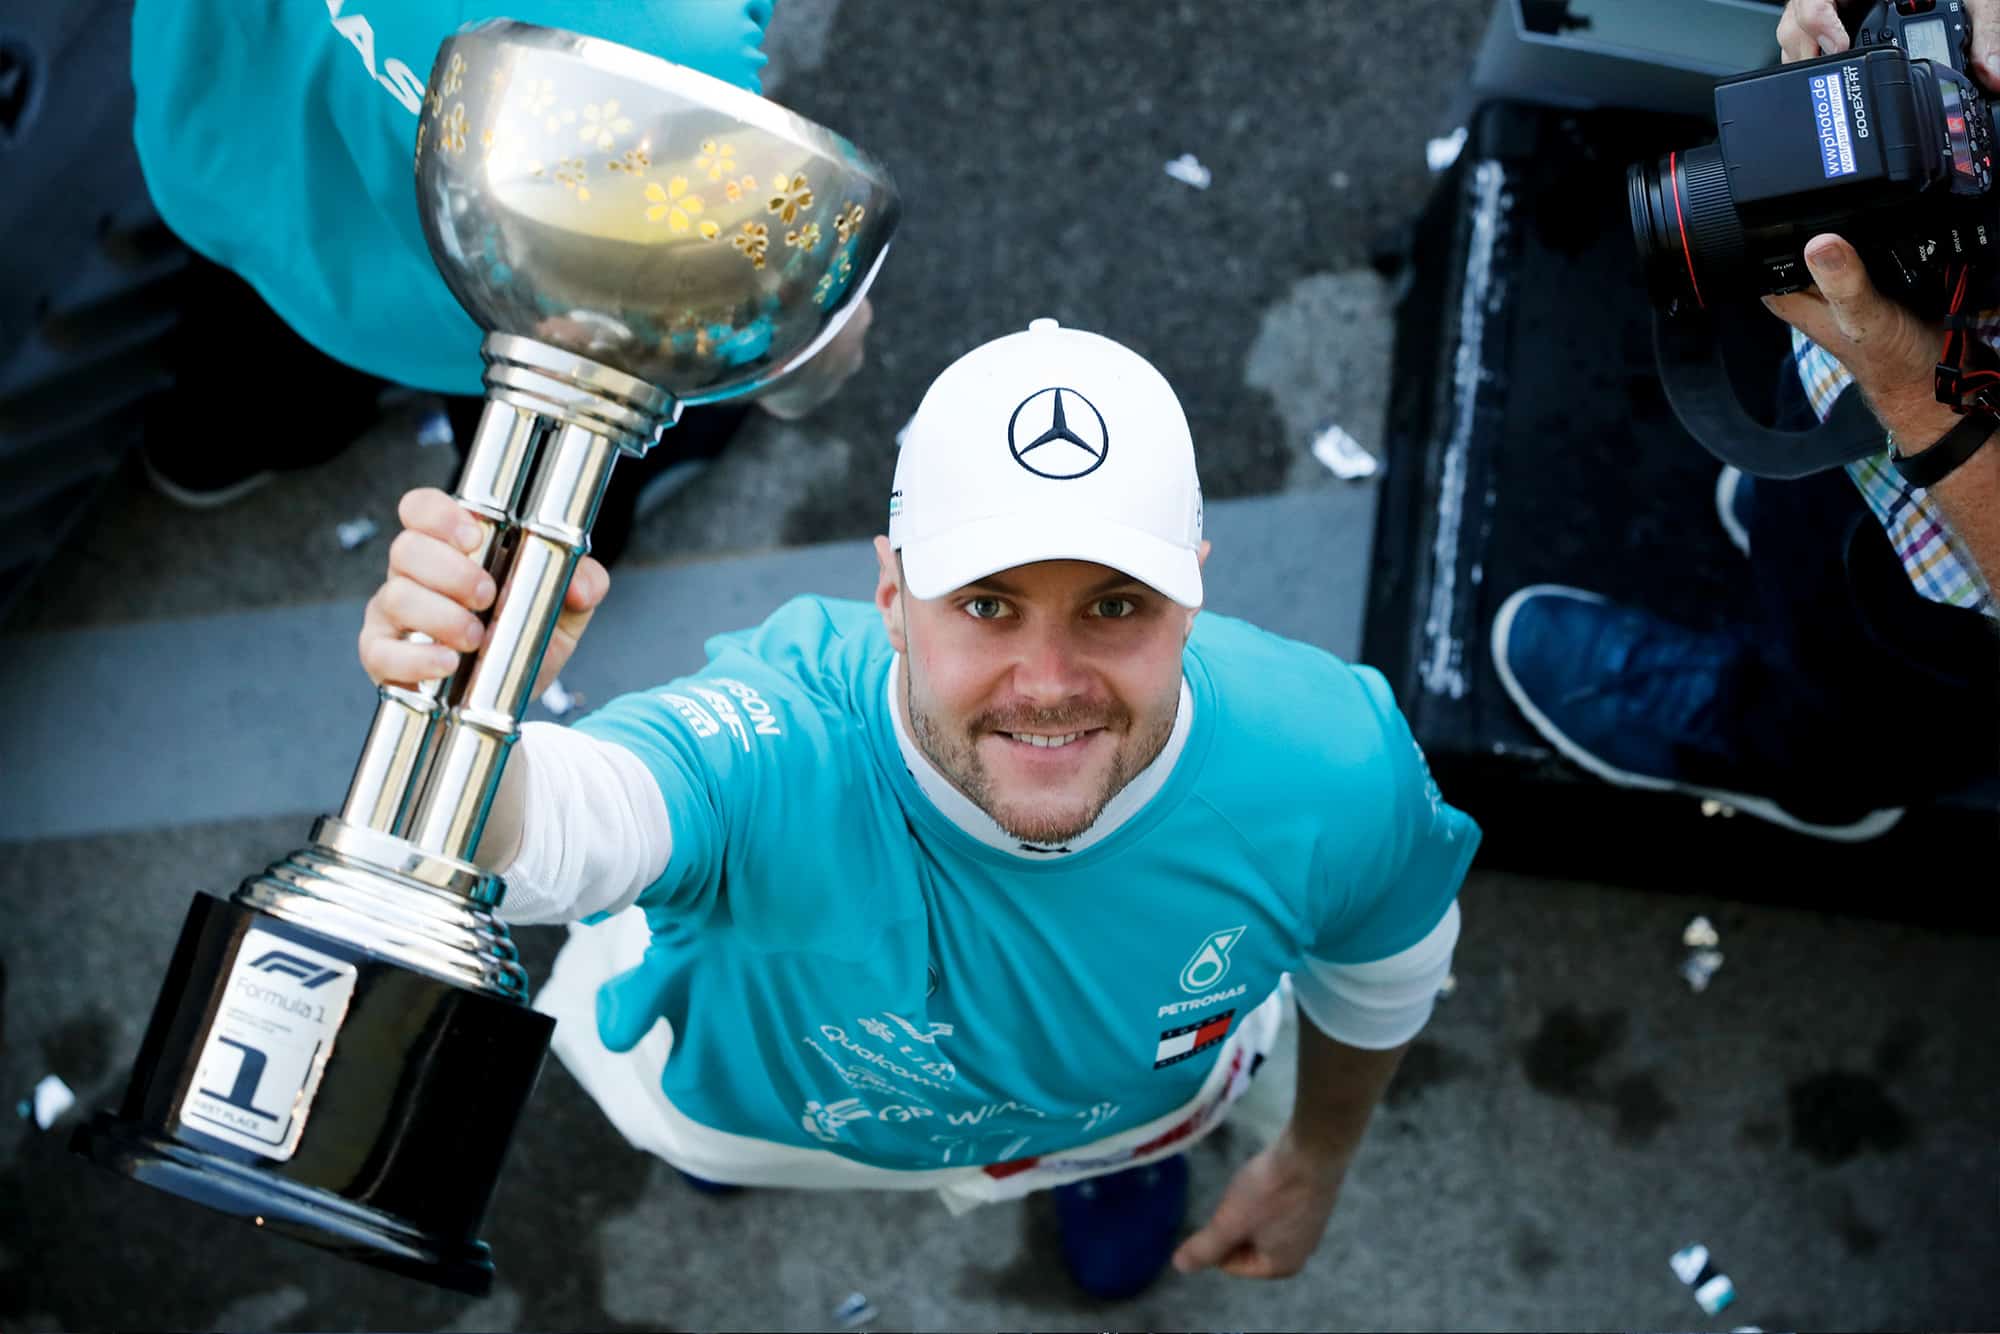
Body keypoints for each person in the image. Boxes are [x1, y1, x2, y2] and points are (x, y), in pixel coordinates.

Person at [359, 319, 1480, 1298]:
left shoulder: (1332, 763)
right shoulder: (774, 735)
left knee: (1137, 1113)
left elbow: (1384, 968)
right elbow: (570, 818)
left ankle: (1123, 1165)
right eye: (987, 604)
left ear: (1192, 589)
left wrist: (1312, 1156)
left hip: (1129, 1110)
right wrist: (465, 707)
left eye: (1113, 605)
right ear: (891, 596)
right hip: (757, 1120)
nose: (1047, 682)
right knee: (710, 1139)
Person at [1490, 0, 2000, 842]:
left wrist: (1917, 393)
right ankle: (1802, 534)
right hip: (1889, 367)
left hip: (1962, 533)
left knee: (1877, 672)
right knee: (1812, 502)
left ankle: (1813, 764)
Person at [125, 0, 869, 561]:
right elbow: (774, 349)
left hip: (233, 152)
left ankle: (217, 449)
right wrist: (811, 349)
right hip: (497, 328)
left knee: (248, 370)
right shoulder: (672, 64)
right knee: (531, 511)